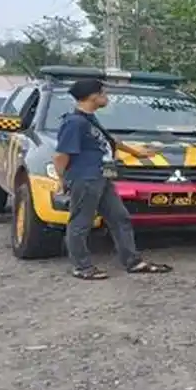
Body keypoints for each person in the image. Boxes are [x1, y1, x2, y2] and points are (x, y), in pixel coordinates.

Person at [54, 78, 173, 280]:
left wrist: (137, 153)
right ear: (93, 96)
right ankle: (82, 267)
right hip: (85, 178)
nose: (106, 97)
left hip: (101, 177)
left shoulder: (89, 119)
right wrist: (63, 179)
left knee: (119, 217)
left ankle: (132, 261)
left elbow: (110, 140)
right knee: (80, 223)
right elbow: (61, 155)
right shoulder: (74, 123)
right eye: (103, 93)